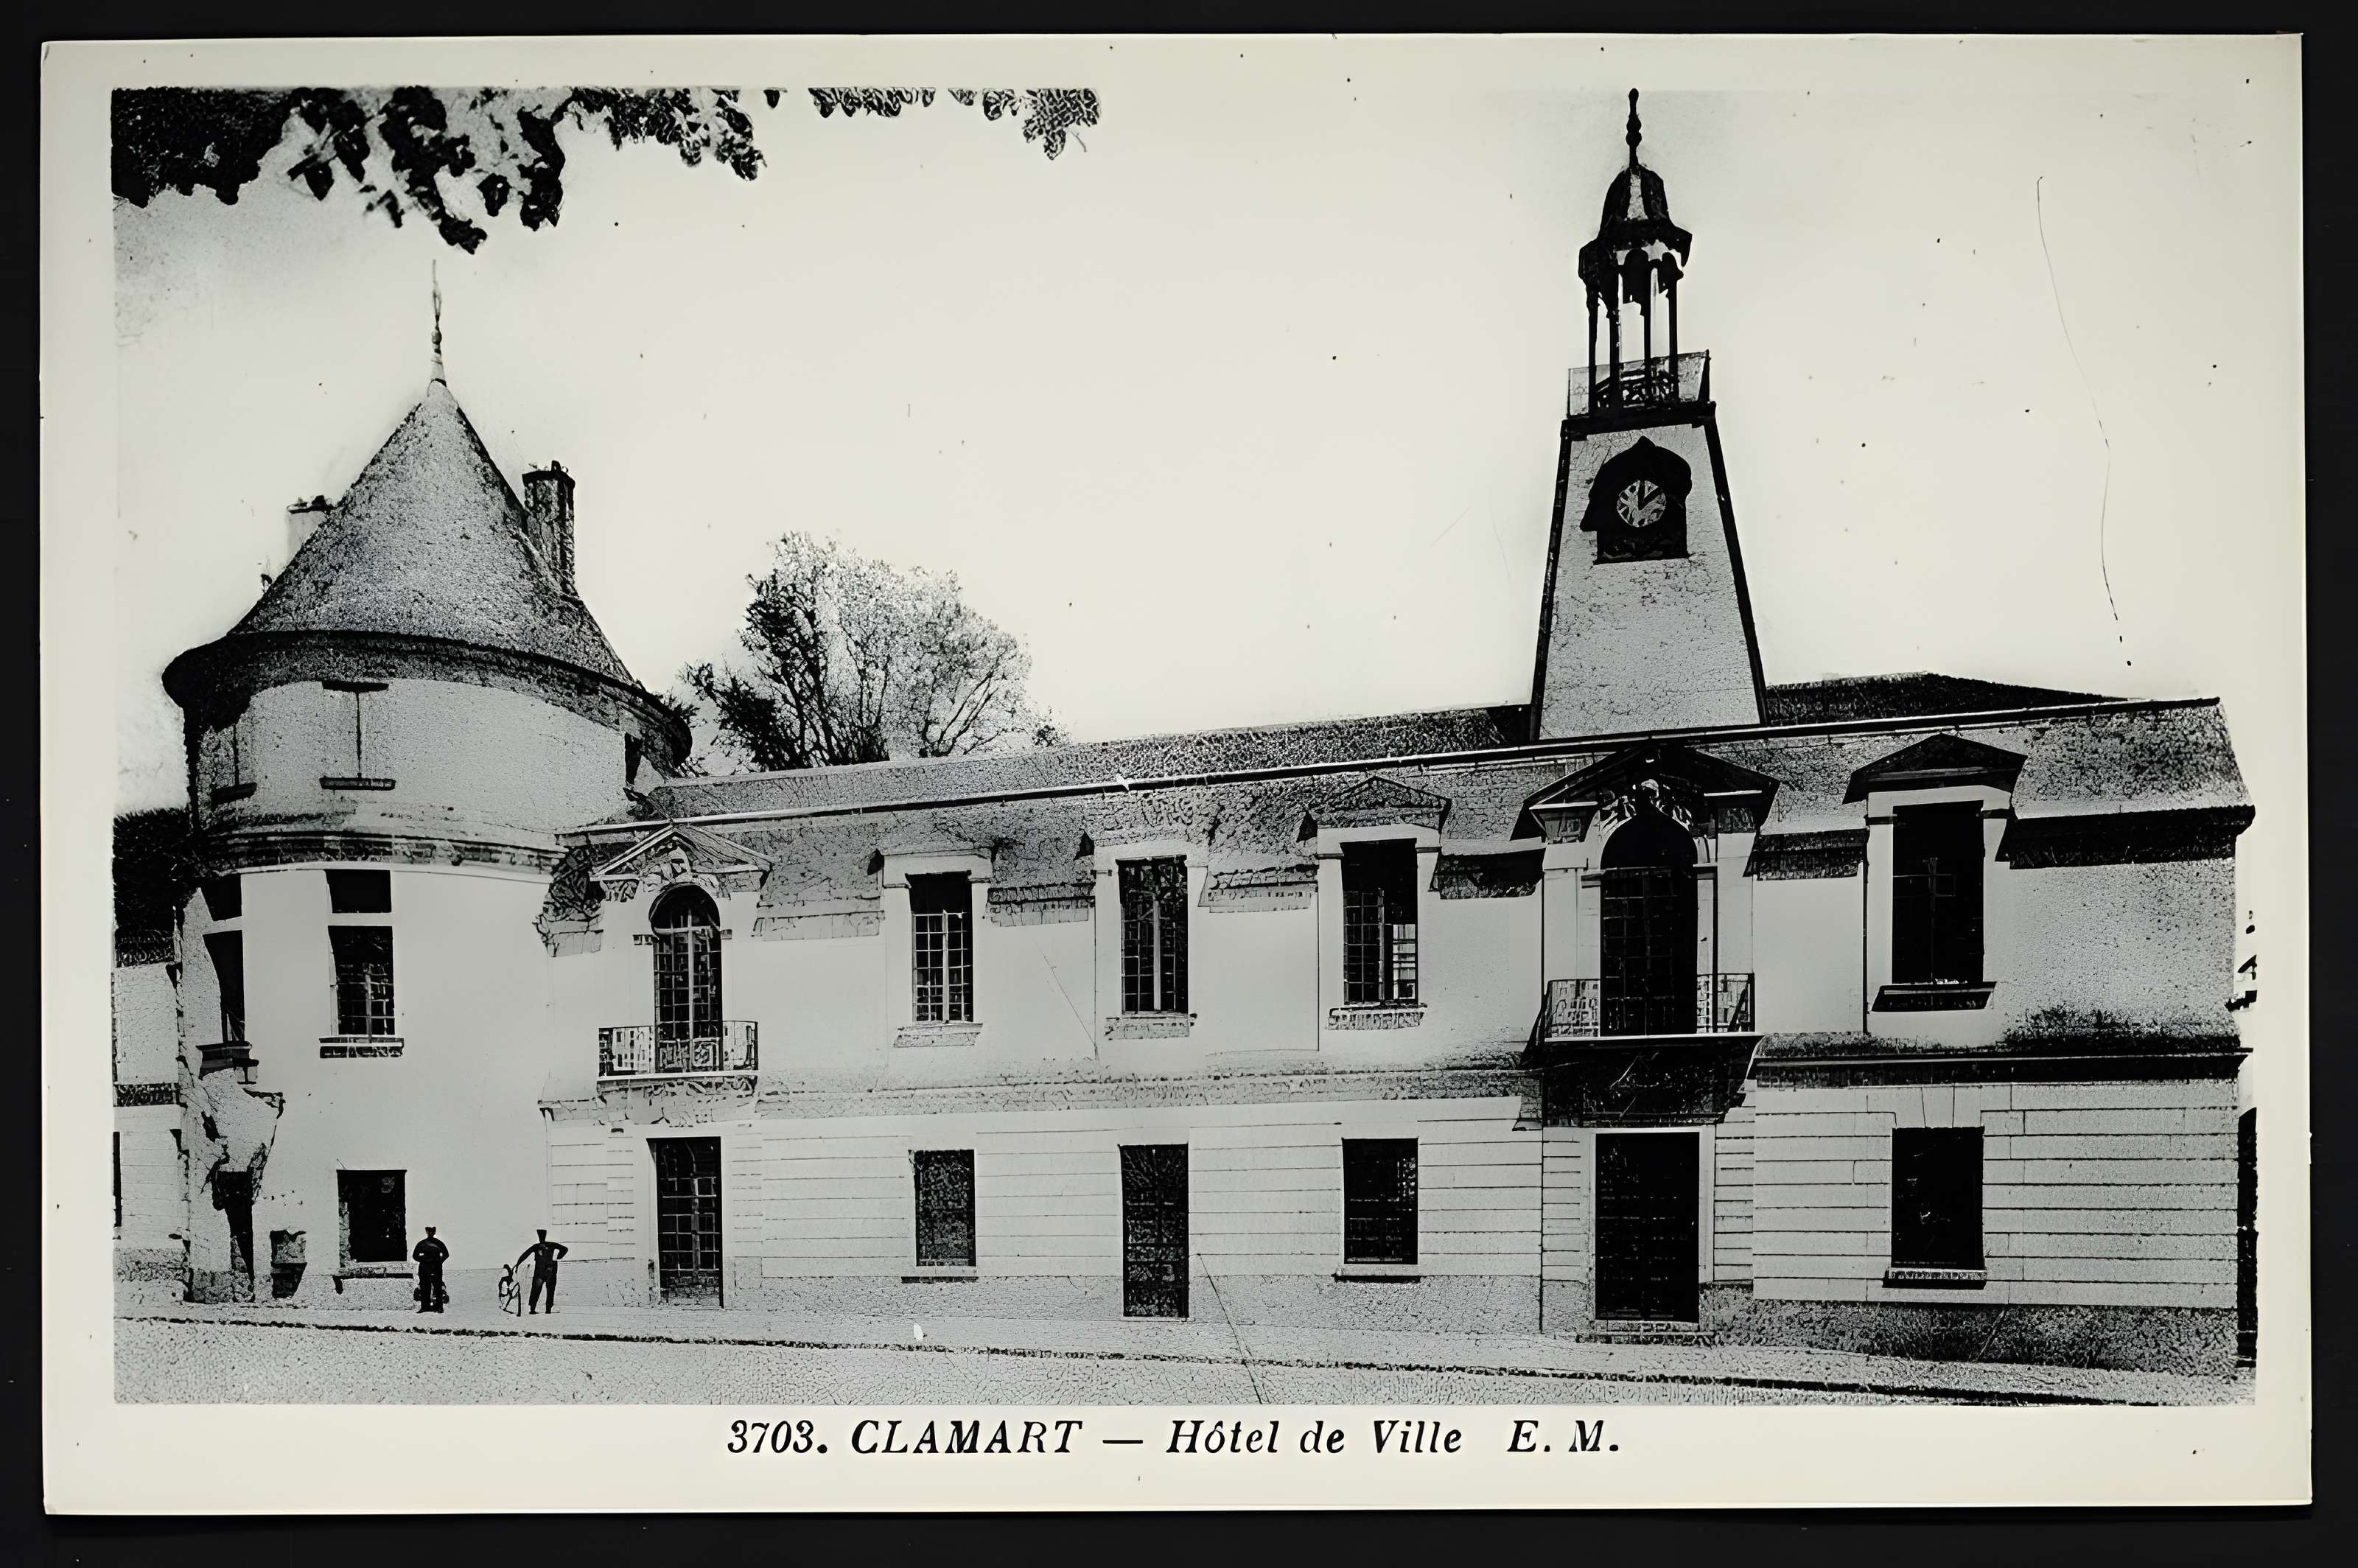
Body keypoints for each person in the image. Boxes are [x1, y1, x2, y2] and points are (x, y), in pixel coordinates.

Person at [516, 1228, 568, 1315]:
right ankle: (540, 1310)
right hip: (546, 1271)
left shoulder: (540, 1246)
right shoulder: (547, 1245)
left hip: (544, 1271)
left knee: (543, 1291)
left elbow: (564, 1249)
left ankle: (542, 1310)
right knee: (542, 1291)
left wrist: (559, 1257)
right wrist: (518, 1264)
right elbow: (564, 1249)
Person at [412, 1227, 449, 1313]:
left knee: (438, 1287)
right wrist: (423, 1259)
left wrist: (439, 1262)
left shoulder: (439, 1243)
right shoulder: (422, 1244)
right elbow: (415, 1256)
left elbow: (446, 1254)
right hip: (424, 1268)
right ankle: (425, 1307)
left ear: (435, 1232)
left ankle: (439, 1307)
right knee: (424, 1287)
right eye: (429, 1231)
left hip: (436, 1268)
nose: (431, 1233)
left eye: (432, 1231)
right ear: (427, 1232)